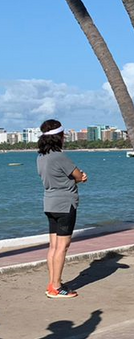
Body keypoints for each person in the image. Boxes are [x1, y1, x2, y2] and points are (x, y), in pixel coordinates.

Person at [37, 119, 88, 298]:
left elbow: (56, 179)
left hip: (49, 203)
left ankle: (52, 283)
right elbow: (77, 176)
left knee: (53, 246)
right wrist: (81, 178)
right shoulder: (60, 156)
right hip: (65, 204)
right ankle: (57, 287)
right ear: (59, 136)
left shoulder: (41, 157)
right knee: (62, 247)